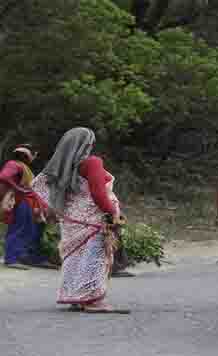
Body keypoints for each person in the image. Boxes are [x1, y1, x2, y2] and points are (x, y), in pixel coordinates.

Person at [31, 127, 129, 313]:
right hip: (93, 220)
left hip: (72, 222)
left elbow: (46, 190)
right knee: (94, 258)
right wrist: (112, 213)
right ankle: (92, 300)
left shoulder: (64, 169)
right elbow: (99, 194)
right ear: (87, 144)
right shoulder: (92, 162)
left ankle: (76, 297)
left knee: (75, 258)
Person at [1, 144, 55, 270]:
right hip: (22, 202)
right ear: (29, 154)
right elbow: (4, 176)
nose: (34, 158)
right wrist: (19, 188)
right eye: (34, 155)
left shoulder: (24, 167)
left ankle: (29, 257)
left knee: (32, 231)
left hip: (30, 204)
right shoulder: (14, 164)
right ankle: (11, 258)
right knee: (19, 229)